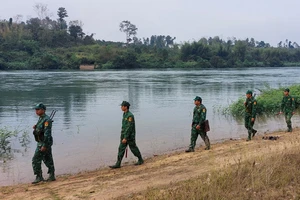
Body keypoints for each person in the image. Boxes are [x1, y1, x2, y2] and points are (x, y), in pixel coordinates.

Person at [109, 101, 144, 169]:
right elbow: (124, 126)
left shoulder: (130, 115)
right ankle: (118, 163)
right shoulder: (124, 114)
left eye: (122, 106)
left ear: (125, 107)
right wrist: (122, 135)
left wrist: (125, 137)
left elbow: (129, 127)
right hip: (124, 135)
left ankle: (140, 159)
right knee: (121, 149)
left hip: (129, 136)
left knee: (133, 148)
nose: (121, 107)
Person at [32, 103, 56, 184]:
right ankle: (51, 175)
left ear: (43, 110)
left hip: (44, 143)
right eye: (36, 110)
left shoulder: (46, 120)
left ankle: (39, 177)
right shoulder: (41, 118)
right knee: (47, 159)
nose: (36, 111)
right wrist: (36, 127)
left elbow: (47, 134)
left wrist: (45, 145)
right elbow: (41, 130)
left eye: (38, 109)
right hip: (41, 142)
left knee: (36, 159)